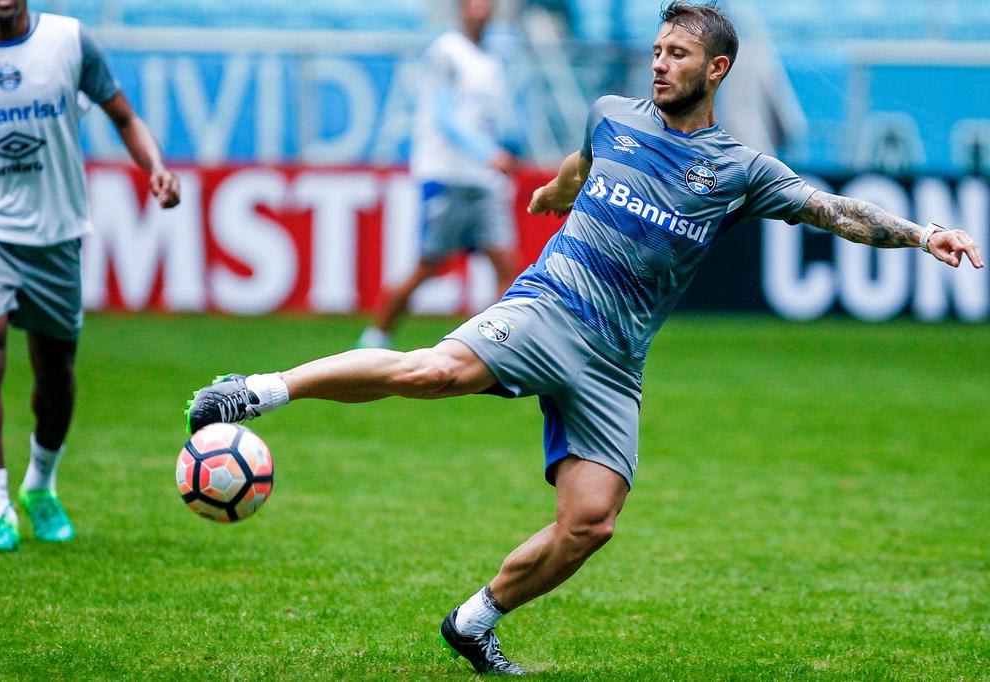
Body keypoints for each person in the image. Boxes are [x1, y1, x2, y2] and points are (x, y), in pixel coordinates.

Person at [184, 2, 984, 675]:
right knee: (433, 371)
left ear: (718, 70)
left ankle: (471, 622)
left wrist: (922, 234)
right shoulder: (613, 114)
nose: (660, 65)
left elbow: (833, 210)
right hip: (550, 306)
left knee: (591, 522)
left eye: (679, 54)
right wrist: (552, 194)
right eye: (658, 50)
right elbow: (582, 163)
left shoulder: (740, 169)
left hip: (615, 361)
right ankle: (254, 391)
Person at [0, 0, 180, 552]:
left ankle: (41, 482)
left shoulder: (69, 42)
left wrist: (155, 168)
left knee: (55, 374)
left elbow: (124, 115)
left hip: (56, 232)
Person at [357, 0, 518, 350]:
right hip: (447, 174)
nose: (483, 6)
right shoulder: (446, 52)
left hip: (485, 181)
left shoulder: (490, 57)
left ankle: (493, 347)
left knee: (507, 266)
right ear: (461, 6)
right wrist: (487, 153)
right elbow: (444, 116)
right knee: (427, 266)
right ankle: (374, 338)